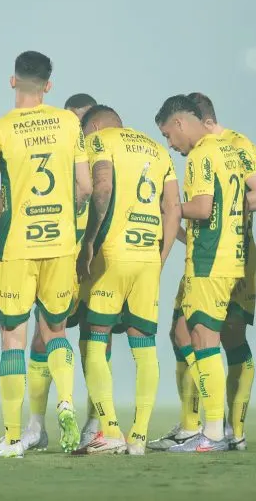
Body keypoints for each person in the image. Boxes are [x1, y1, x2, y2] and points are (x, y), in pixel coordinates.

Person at [0, 52, 92, 458]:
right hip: (61, 243)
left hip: (17, 245)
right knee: (56, 331)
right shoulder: (69, 124)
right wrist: (70, 222)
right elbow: (84, 186)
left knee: (13, 339)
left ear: (13, 82)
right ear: (49, 85)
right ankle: (65, 400)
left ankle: (12, 438)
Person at [150, 92, 256, 451]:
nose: (170, 145)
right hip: (224, 256)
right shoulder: (225, 150)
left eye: (168, 136)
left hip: (213, 258)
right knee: (186, 333)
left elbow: (209, 207)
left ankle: (218, 430)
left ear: (181, 122)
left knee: (209, 339)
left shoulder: (212, 150)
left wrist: (170, 207)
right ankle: (206, 427)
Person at [71, 105, 181, 455]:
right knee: (144, 347)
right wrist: (160, 258)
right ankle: (139, 437)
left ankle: (111, 430)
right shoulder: (157, 148)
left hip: (112, 255)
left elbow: (101, 187)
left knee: (94, 338)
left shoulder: (101, 140)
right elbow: (173, 207)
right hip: (148, 257)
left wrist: (89, 241)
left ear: (98, 125)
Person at [23, 93, 100, 451]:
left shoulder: (90, 154)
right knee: (54, 339)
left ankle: (90, 421)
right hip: (73, 255)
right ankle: (45, 424)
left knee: (78, 338)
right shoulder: (67, 150)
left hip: (72, 255)